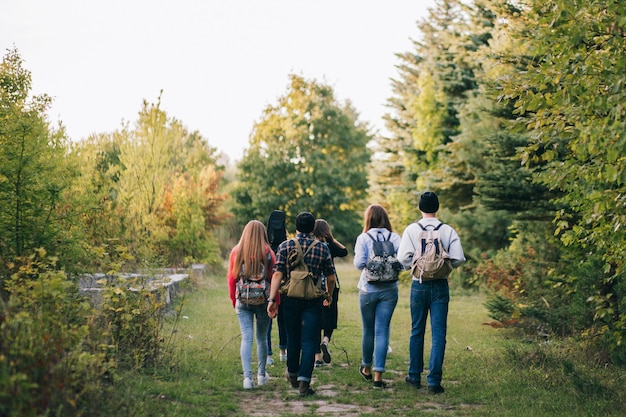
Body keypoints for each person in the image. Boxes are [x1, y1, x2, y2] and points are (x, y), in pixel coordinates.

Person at [397, 191, 465, 394]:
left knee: (416, 331)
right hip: (440, 286)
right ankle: (434, 382)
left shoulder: (412, 229)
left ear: (420, 208)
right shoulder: (447, 230)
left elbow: (402, 258)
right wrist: (444, 267)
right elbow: (459, 258)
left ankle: (414, 376)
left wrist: (416, 266)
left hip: (419, 285)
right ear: (437, 207)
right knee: (439, 334)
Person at [267, 212, 337, 397]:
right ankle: (304, 382)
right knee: (309, 340)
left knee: (292, 338)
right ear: (313, 227)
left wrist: (272, 299)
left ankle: (292, 374)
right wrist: (328, 295)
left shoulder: (285, 245)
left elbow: (277, 274)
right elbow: (330, 277)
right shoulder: (322, 248)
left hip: (290, 299)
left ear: (296, 227)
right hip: (313, 301)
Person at [353, 204, 401, 388]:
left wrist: (372, 265)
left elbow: (358, 263)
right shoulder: (395, 237)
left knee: (368, 329)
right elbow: (404, 260)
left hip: (368, 289)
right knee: (382, 330)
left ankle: (366, 367)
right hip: (390, 290)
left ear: (368, 219)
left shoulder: (364, 238)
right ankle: (378, 376)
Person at [228, 220, 277, 389]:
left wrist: (234, 300)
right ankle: (262, 375)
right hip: (263, 301)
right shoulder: (268, 253)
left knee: (246, 338)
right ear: (263, 234)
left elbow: (231, 279)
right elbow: (274, 278)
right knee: (262, 338)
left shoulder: (236, 251)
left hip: (243, 300)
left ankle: (247, 379)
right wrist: (275, 302)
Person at [312, 219, 348, 367]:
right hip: (331, 285)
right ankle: (325, 340)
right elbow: (344, 251)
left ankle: (317, 358)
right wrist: (332, 239)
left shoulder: (312, 245)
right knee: (330, 316)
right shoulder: (330, 246)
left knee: (314, 320)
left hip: (314, 287)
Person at [265, 210, 288, 365]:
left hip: (267, 287)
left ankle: (268, 355)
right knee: (283, 321)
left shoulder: (265, 247)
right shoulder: (287, 246)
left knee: (267, 321)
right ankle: (283, 352)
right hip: (285, 287)